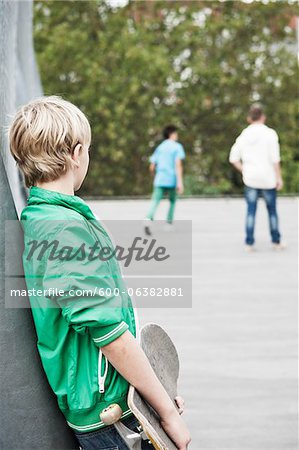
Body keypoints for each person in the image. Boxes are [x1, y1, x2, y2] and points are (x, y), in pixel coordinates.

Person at [8, 96, 191, 450]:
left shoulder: (46, 218)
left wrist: (151, 395)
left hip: (108, 399)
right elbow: (109, 336)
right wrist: (165, 410)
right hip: (107, 416)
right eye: (88, 149)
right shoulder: (64, 230)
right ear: (76, 153)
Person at [229, 104, 284, 251]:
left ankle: (249, 243)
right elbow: (275, 159)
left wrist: (244, 170)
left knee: (251, 211)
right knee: (272, 211)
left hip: (251, 178)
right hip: (268, 178)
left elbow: (233, 158)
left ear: (249, 118)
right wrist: (279, 177)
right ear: (263, 117)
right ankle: (276, 242)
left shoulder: (244, 135)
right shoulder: (270, 134)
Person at [144, 125, 185, 235]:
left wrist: (155, 176)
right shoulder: (177, 147)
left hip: (160, 179)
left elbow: (152, 166)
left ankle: (148, 220)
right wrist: (180, 182)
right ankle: (169, 223)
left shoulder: (160, 148)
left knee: (155, 201)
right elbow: (178, 165)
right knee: (172, 201)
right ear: (171, 134)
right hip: (172, 179)